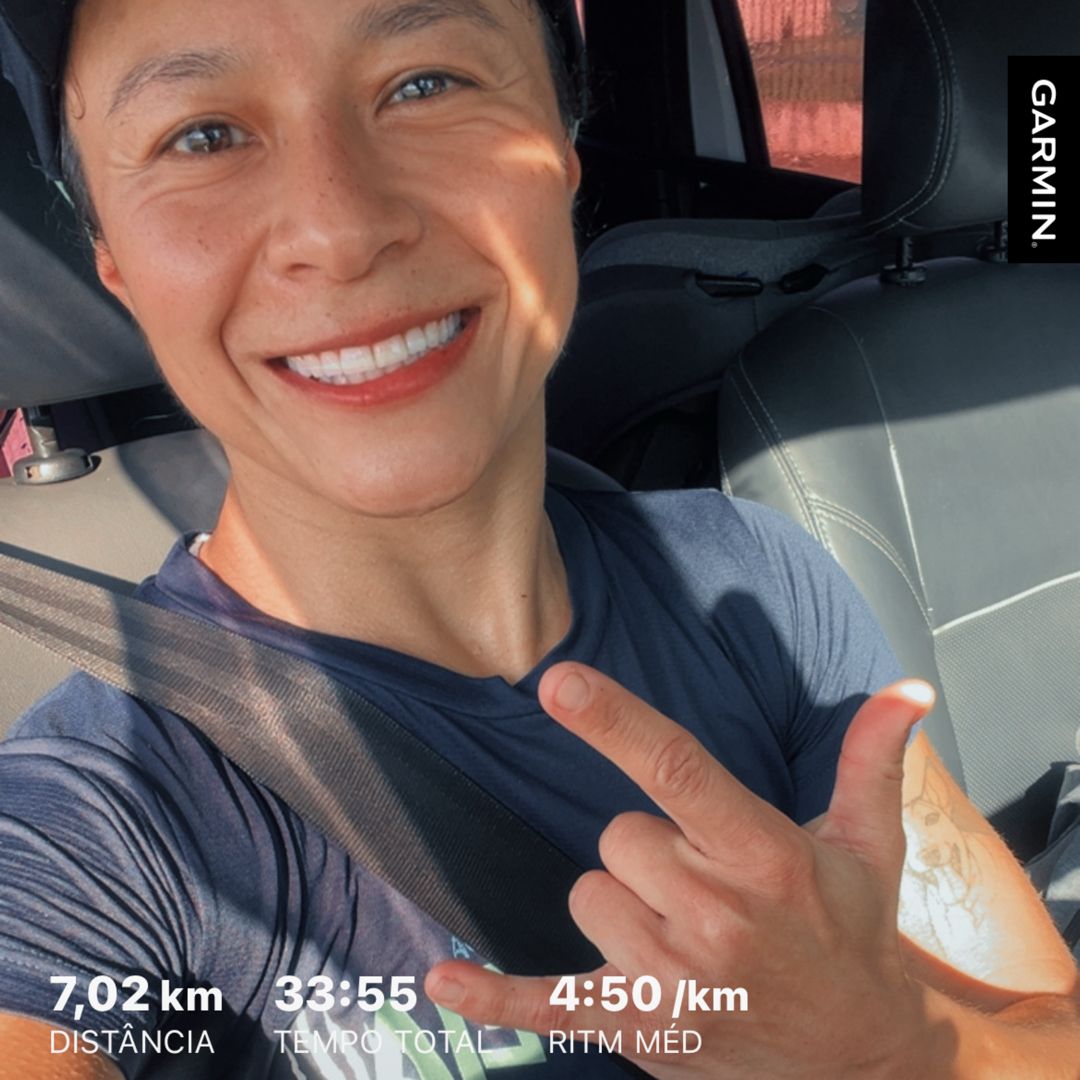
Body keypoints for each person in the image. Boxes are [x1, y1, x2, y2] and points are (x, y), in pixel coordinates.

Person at [0, 1, 1077, 1077]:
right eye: (202, 136)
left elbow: (1048, 1025)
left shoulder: (759, 583)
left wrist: (894, 1046)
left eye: (426, 84)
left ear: (564, 151)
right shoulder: (98, 817)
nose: (339, 229)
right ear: (113, 258)